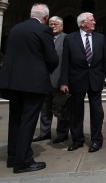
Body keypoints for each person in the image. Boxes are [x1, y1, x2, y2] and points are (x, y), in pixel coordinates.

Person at [0, 4, 58, 173]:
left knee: (16, 119)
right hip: (33, 83)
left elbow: (6, 50)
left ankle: (13, 157)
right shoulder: (43, 30)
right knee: (28, 121)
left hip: (13, 83)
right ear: (45, 18)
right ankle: (23, 161)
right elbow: (53, 57)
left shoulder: (16, 28)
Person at [60, 12, 106, 153]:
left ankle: (97, 140)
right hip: (76, 79)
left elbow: (105, 59)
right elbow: (65, 62)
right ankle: (77, 140)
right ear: (82, 23)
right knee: (76, 112)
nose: (95, 22)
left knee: (97, 111)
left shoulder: (100, 38)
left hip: (95, 79)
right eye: (91, 20)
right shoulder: (70, 38)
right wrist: (64, 82)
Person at [32, 16, 69, 144]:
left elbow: (67, 61)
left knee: (61, 108)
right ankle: (44, 132)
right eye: (51, 24)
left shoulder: (67, 39)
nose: (53, 26)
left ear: (62, 26)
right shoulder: (44, 38)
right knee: (44, 108)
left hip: (59, 80)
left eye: (56, 24)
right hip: (44, 79)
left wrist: (65, 81)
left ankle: (62, 134)